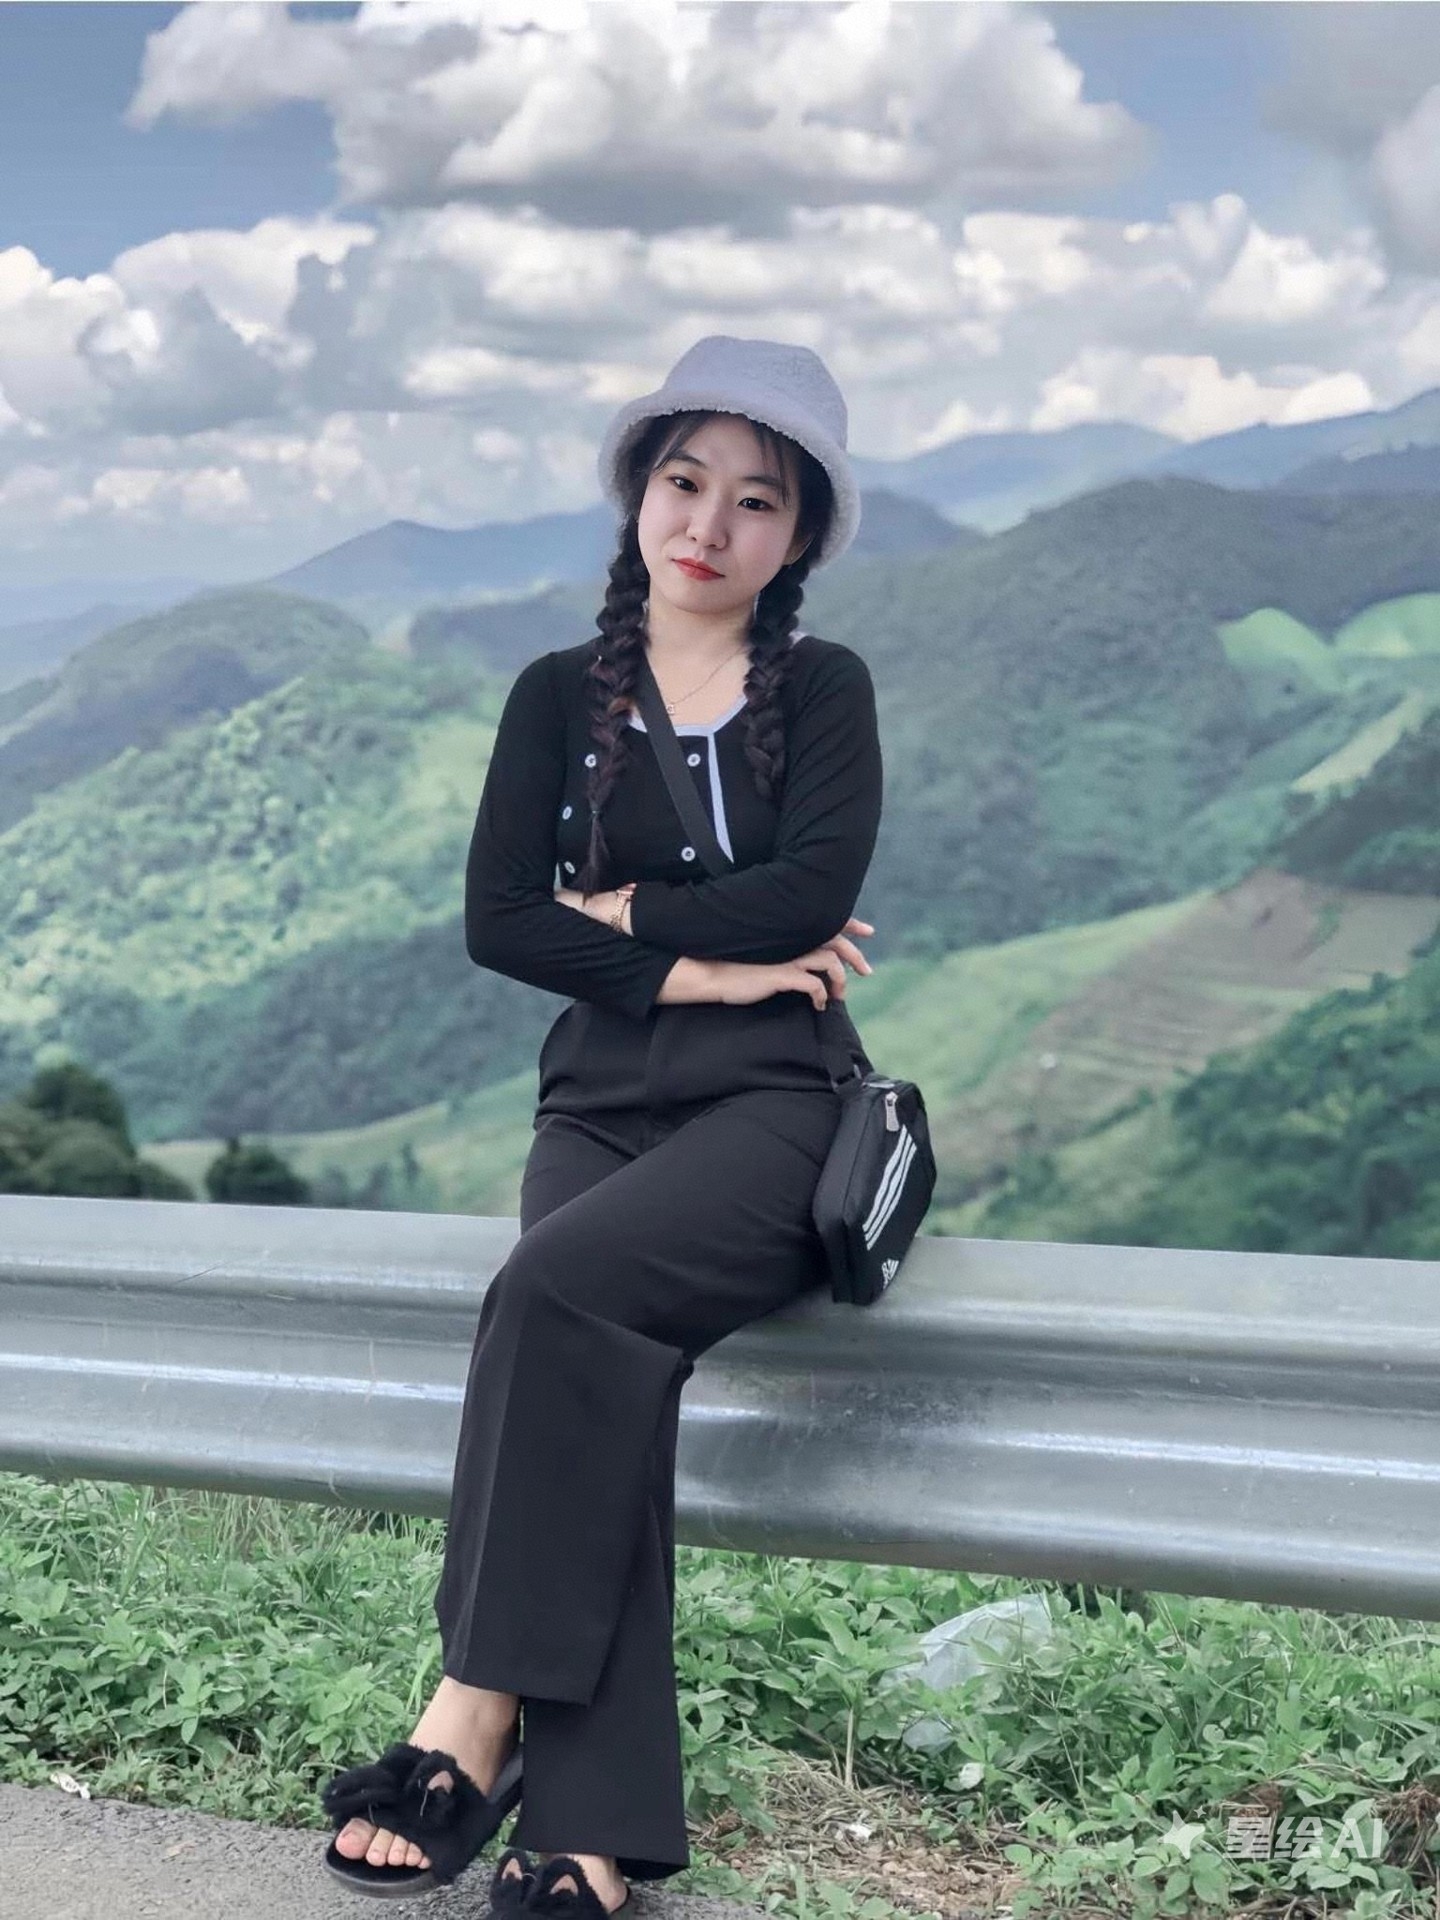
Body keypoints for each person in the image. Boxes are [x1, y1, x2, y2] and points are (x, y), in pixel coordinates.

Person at [319, 334, 884, 1914]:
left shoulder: (822, 689)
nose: (710, 523)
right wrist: (706, 964)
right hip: (599, 1096)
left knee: (555, 1293)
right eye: (685, 481)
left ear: (797, 535)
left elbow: (815, 894)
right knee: (595, 1378)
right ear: (640, 491)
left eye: (756, 500)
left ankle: (469, 1711)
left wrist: (625, 913)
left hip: (780, 1098)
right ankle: (589, 1832)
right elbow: (500, 921)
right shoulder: (556, 696)